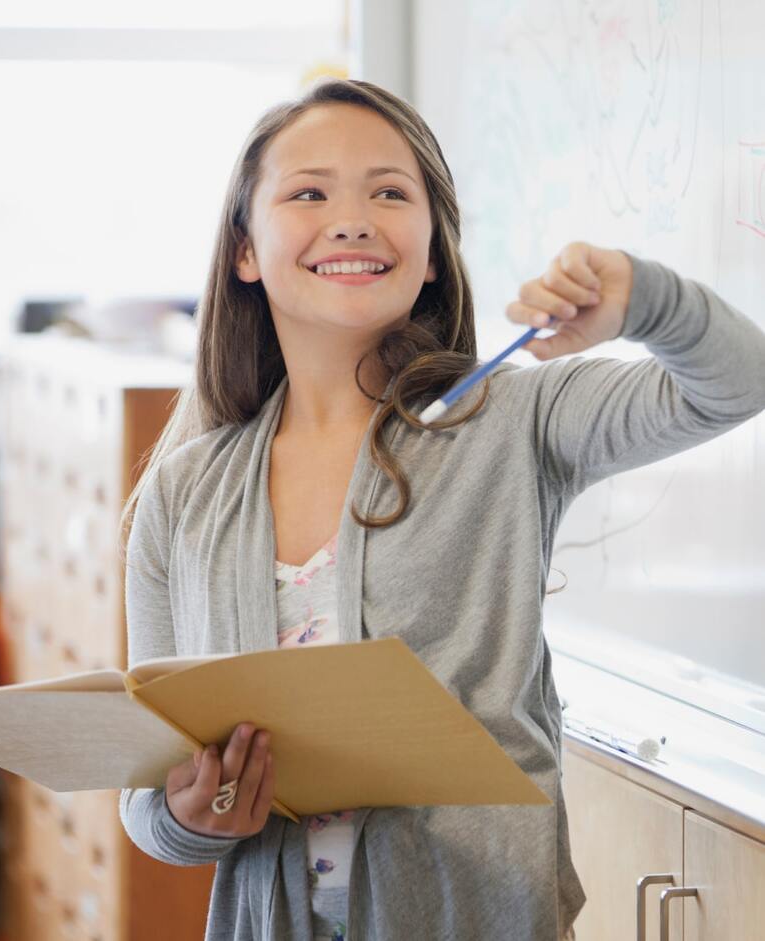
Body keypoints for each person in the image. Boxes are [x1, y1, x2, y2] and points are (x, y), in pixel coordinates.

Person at [118, 78, 765, 941]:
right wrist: (197, 818)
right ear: (244, 249)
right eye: (309, 191)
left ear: (430, 253)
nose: (351, 218)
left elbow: (739, 382)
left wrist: (641, 299)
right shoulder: (183, 488)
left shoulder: (513, 421)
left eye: (389, 191)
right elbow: (147, 802)